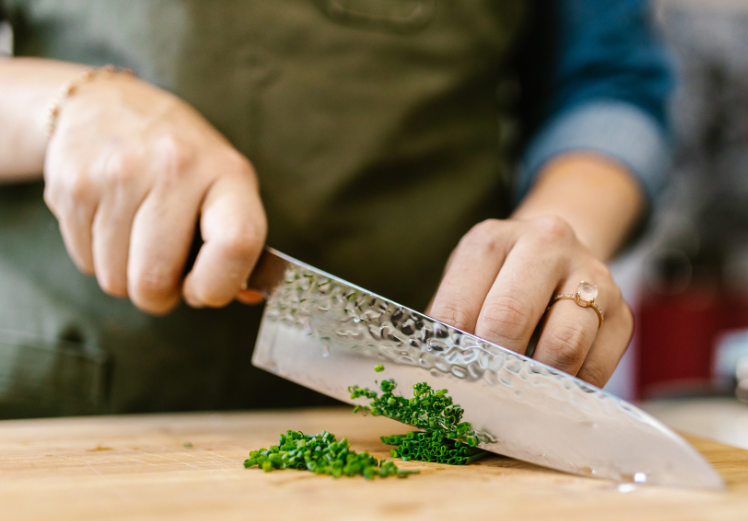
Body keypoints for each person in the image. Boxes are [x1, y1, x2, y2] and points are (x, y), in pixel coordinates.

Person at [0, 0, 672, 418]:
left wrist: (551, 242)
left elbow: (605, 81)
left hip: (415, 408)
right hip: (54, 412)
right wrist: (63, 109)